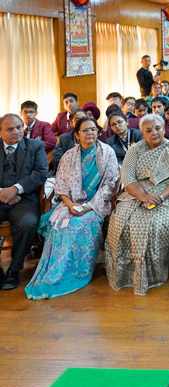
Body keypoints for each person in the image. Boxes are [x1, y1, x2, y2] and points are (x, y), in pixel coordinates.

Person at [25, 117, 119, 299]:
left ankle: (78, 273)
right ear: (76, 135)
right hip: (70, 203)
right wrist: (69, 204)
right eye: (85, 130)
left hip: (96, 205)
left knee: (78, 225)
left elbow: (109, 185)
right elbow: (60, 187)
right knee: (60, 227)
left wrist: (89, 207)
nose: (90, 133)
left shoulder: (107, 153)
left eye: (93, 129)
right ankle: (54, 273)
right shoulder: (68, 156)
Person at [105, 114, 169, 295]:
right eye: (148, 130)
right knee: (120, 222)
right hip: (136, 195)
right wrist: (143, 196)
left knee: (153, 225)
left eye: (158, 128)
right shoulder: (135, 150)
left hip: (166, 196)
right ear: (142, 133)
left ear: (165, 129)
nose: (154, 133)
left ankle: (152, 275)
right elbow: (128, 177)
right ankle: (125, 276)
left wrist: (160, 196)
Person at [0, 114, 49, 290]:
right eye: (10, 129)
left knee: (28, 223)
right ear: (0, 132)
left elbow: (41, 173)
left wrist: (16, 189)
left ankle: (14, 270)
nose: (17, 132)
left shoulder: (35, 146)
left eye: (19, 127)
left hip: (24, 199)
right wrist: (3, 193)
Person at [50, 109, 88, 176]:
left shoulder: (91, 137)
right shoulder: (64, 138)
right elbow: (56, 158)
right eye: (77, 120)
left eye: (84, 119)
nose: (81, 122)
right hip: (66, 173)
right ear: (71, 122)